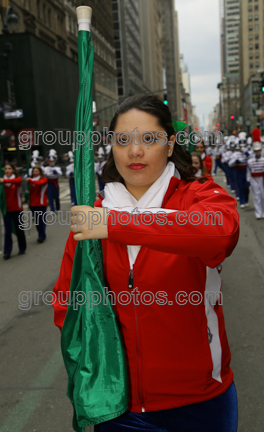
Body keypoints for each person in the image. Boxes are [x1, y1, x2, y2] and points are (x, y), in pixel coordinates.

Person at [53, 95, 239, 432]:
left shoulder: (200, 196)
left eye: (148, 139)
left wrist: (116, 225)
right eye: (123, 140)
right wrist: (99, 373)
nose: (134, 151)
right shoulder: (92, 217)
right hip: (120, 407)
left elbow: (219, 235)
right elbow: (67, 305)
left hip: (202, 401)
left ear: (169, 146)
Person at [0, 164, 26, 260]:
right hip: (7, 209)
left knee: (19, 229)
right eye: (5, 169)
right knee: (7, 231)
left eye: (9, 168)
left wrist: (4, 180)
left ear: (13, 170)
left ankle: (22, 247)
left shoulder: (17, 179)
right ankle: (7, 251)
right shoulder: (1, 181)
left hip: (17, 208)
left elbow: (17, 181)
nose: (7, 170)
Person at [26, 166, 48, 243]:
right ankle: (40, 233)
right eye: (34, 171)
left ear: (40, 172)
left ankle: (41, 235)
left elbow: (40, 183)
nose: (35, 173)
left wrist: (30, 180)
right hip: (33, 203)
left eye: (36, 171)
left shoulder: (43, 179)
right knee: (36, 221)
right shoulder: (30, 180)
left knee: (41, 220)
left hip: (41, 203)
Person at [228, 143, 249, 208]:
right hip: (238, 171)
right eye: (240, 146)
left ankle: (246, 200)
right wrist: (236, 161)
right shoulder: (234, 154)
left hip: (246, 171)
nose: (241, 148)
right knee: (240, 186)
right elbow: (230, 163)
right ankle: (242, 201)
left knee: (246, 187)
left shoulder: (247, 153)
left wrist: (246, 153)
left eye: (243, 146)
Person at [247, 141, 264, 219]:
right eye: (256, 151)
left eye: (258, 150)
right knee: (256, 196)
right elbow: (248, 172)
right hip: (254, 179)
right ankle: (258, 213)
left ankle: (263, 212)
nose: (257, 152)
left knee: (263, 196)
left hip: (262, 179)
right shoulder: (250, 161)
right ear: (254, 151)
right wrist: (248, 180)